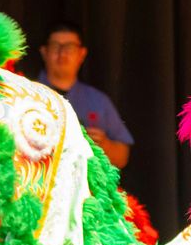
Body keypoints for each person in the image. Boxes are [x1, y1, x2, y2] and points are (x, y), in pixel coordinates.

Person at [38, 21, 133, 169]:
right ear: (44, 52)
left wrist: (104, 145)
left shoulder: (98, 101)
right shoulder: (28, 93)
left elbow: (122, 157)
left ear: (82, 54)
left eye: (69, 47)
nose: (62, 54)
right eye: (56, 46)